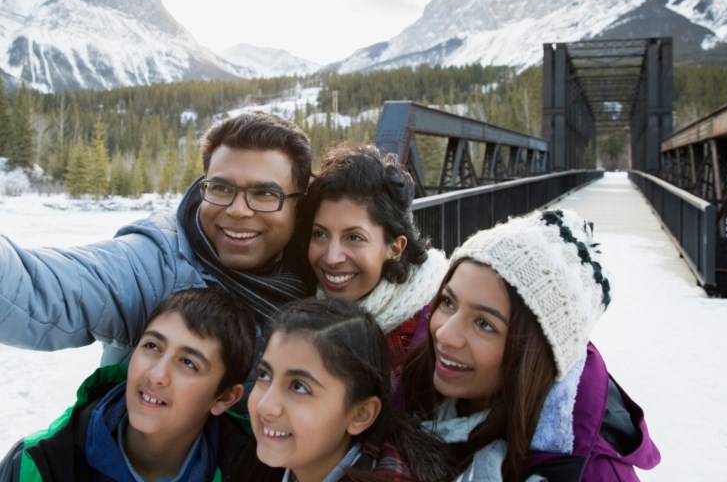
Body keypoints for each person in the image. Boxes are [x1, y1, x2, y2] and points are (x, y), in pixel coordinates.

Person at [0, 44, 314, 364]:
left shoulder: (326, 277)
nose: (237, 210)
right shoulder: (158, 264)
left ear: (298, 204)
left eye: (265, 194)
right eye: (222, 187)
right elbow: (28, 292)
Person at [402, 209, 661, 481]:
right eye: (448, 302)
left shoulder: (594, 474)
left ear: (537, 354)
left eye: (485, 324)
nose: (445, 334)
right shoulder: (412, 390)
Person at [0, 288, 281, 481]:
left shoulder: (258, 473)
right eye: (153, 346)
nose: (157, 374)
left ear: (225, 397)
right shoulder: (39, 465)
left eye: (189, 363)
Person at [248, 297, 455, 482]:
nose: (266, 406)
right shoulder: (264, 466)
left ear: (360, 414)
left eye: (299, 387)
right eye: (264, 375)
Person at [295, 142, 446, 392]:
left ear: (395, 248)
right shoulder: (308, 309)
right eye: (320, 234)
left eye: (354, 237)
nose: (331, 258)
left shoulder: (435, 333)